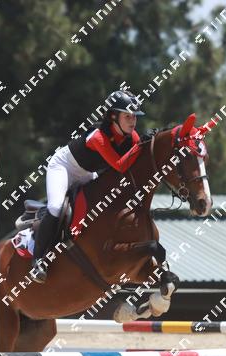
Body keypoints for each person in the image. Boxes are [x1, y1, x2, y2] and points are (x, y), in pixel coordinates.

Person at [31, 89, 145, 283]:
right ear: (113, 116)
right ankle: (38, 260)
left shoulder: (132, 137)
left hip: (86, 173)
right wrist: (141, 146)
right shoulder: (97, 136)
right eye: (127, 116)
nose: (133, 121)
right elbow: (120, 165)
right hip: (64, 167)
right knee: (56, 207)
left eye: (134, 116)